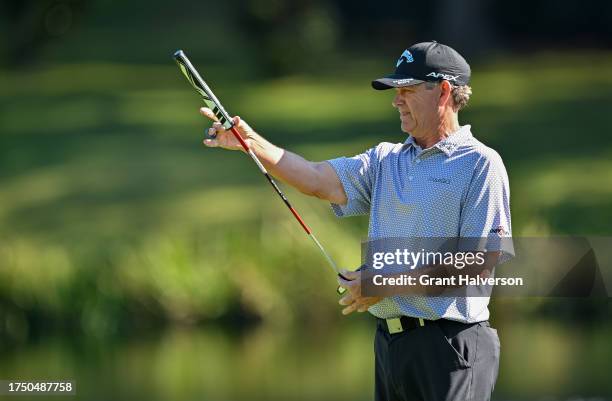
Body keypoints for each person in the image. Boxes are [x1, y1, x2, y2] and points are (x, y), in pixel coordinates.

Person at [200, 41, 513, 401]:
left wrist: (382, 282)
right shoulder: (386, 159)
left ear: (443, 91)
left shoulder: (480, 164)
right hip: (391, 345)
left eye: (406, 90)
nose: (396, 100)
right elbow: (316, 179)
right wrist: (249, 141)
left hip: (450, 345)